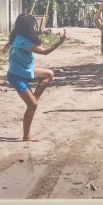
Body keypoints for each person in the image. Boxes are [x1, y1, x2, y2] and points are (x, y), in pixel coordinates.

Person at [5, 12, 66, 141]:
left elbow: (13, 41)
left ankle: (33, 99)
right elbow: (44, 52)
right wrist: (60, 42)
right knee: (32, 105)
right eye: (32, 25)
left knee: (49, 74)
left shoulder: (18, 36)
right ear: (27, 27)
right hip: (17, 76)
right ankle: (26, 136)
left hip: (26, 71)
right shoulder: (22, 41)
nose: (34, 27)